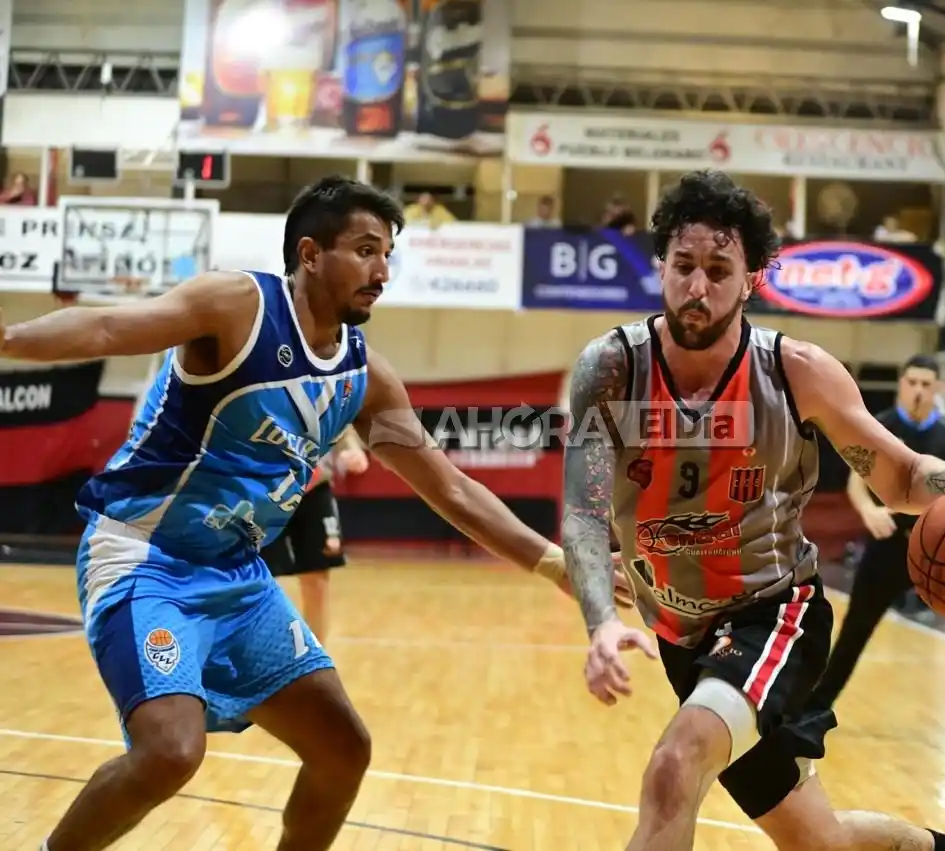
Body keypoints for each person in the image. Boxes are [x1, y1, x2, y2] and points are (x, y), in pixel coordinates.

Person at [0, 175, 589, 851]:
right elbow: (109, 325)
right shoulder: (237, 305)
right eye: (365, 250)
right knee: (169, 750)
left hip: (237, 576)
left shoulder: (365, 377)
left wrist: (550, 562)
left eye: (388, 254)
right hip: (146, 554)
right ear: (310, 253)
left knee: (343, 746)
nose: (381, 270)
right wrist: (11, 338)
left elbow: (450, 489)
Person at [560, 170, 945, 851]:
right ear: (661, 265)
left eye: (718, 269)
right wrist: (600, 621)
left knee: (673, 767)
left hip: (771, 613)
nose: (697, 287)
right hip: (679, 632)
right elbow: (582, 512)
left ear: (753, 277)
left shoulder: (797, 372)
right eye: (683, 266)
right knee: (819, 843)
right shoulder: (609, 369)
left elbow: (900, 475)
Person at [807, 354, 945, 741]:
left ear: (936, 389)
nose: (918, 390)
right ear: (903, 383)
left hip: (938, 548)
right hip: (888, 546)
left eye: (926, 384)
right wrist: (868, 510)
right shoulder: (880, 426)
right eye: (912, 382)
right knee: (855, 631)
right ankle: (814, 711)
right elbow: (856, 479)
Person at [261, 424, 368, 644]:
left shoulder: (320, 390)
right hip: (266, 489)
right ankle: (263, 655)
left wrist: (352, 448)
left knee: (317, 578)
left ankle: (315, 658)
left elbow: (342, 422)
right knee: (262, 579)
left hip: (314, 487)